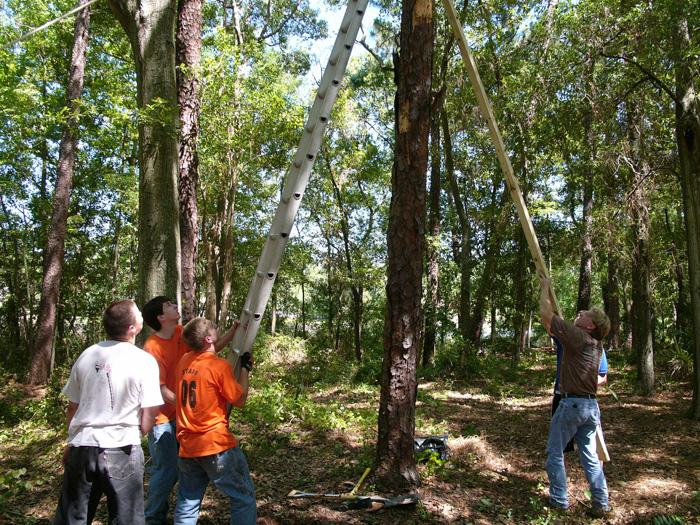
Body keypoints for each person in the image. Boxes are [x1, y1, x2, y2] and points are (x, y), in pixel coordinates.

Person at [53, 300, 163, 525]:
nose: (142, 315)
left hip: (82, 448)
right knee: (127, 519)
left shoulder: (87, 355)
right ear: (133, 328)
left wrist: (72, 441)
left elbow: (73, 408)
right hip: (122, 449)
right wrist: (132, 434)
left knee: (72, 518)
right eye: (138, 314)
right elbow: (150, 411)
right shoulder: (144, 361)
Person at [142, 296, 242, 524]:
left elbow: (208, 348)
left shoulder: (179, 332)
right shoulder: (153, 347)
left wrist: (234, 332)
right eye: (169, 306)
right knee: (166, 472)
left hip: (183, 418)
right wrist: (188, 405)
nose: (175, 306)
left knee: (183, 472)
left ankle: (175, 516)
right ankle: (153, 519)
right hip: (163, 420)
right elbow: (158, 388)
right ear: (160, 317)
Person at [538, 272, 611, 516]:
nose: (582, 313)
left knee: (554, 452)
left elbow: (546, 316)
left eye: (587, 314)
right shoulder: (596, 345)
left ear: (591, 326)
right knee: (590, 458)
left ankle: (559, 501)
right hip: (591, 408)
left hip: (572, 405)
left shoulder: (579, 337)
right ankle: (601, 503)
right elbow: (551, 325)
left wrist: (545, 287)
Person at [173, 317, 255, 525]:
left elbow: (210, 351)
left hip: (188, 446)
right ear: (208, 338)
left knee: (187, 503)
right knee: (243, 497)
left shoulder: (185, 360)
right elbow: (240, 400)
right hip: (215, 445)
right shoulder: (219, 367)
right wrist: (245, 369)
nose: (216, 326)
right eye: (213, 326)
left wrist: (233, 331)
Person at [551, 337, 608, 457]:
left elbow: (602, 377)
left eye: (582, 316)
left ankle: (597, 476)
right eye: (578, 315)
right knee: (559, 446)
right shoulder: (565, 340)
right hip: (562, 398)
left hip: (586, 401)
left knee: (593, 449)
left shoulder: (596, 346)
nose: (578, 317)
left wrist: (580, 383)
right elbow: (549, 323)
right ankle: (560, 475)